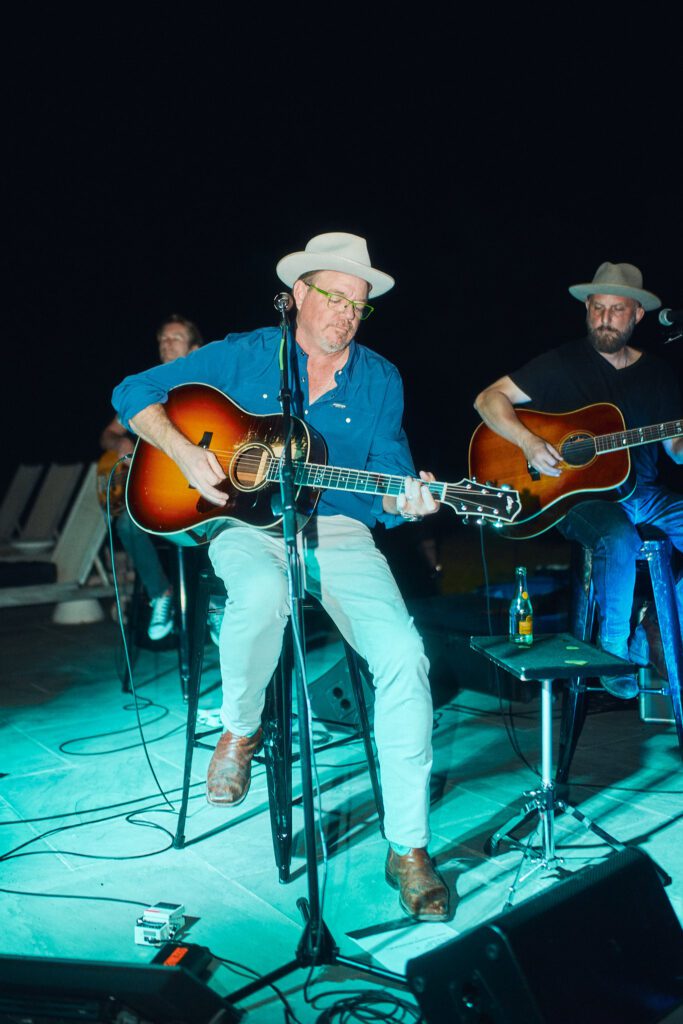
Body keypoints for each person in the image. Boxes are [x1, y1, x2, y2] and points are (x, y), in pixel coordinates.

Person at [111, 232, 449, 921]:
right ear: (298, 294)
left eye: (358, 304)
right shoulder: (244, 354)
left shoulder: (380, 378)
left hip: (341, 531)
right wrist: (182, 451)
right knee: (261, 597)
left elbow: (386, 475)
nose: (345, 314)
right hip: (243, 528)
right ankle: (241, 729)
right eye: (333, 296)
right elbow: (132, 391)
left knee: (405, 658)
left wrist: (407, 497)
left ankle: (408, 847)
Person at [474, 261, 683, 698]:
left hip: (642, 493)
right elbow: (487, 400)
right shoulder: (562, 363)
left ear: (638, 315)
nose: (605, 318)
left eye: (617, 310)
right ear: (587, 309)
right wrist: (529, 443)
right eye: (598, 308)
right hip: (580, 500)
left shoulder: (659, 375)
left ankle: (653, 628)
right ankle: (612, 655)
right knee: (619, 537)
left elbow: (675, 449)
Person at [101, 314, 203, 639]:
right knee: (126, 524)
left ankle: (214, 604)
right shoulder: (148, 389)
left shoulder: (208, 387)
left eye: (174, 338)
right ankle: (162, 594)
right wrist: (119, 441)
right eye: (162, 339)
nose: (165, 343)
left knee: (229, 520)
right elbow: (108, 433)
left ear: (195, 347)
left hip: (199, 493)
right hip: (159, 494)